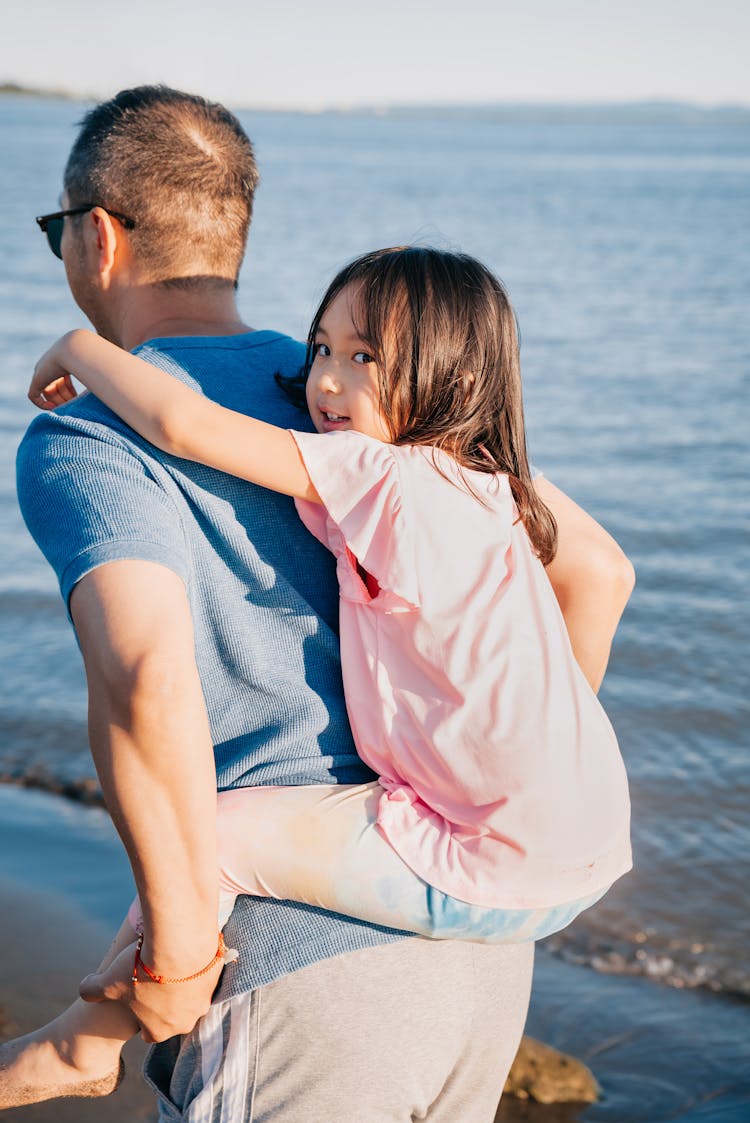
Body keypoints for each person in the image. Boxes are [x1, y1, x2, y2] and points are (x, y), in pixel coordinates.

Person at [4, 86, 634, 1122]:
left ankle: (85, 1044)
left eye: (55, 231)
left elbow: (145, 679)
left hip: (297, 979)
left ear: (99, 237)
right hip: (487, 958)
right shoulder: (394, 412)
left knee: (213, 836)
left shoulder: (95, 430)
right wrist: (517, 751)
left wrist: (171, 957)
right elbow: (597, 567)